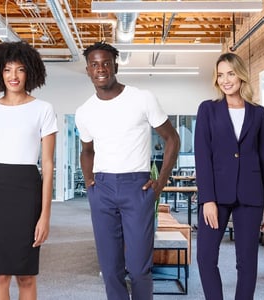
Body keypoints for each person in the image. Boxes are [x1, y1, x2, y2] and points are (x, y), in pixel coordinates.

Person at [75, 41, 180, 300]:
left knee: (138, 268)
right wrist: (90, 184)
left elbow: (172, 139)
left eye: (106, 63)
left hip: (137, 187)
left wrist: (160, 182)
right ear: (88, 70)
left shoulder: (142, 98)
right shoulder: (84, 111)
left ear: (115, 65)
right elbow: (87, 151)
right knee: (110, 269)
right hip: (102, 189)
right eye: (95, 65)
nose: (101, 69)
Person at [0, 41, 57, 300]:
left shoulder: (43, 109)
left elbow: (47, 165)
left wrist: (45, 215)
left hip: (27, 190)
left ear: (30, 73)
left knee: (26, 275)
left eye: (20, 70)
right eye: (7, 69)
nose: (13, 76)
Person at [194, 52, 264, 300]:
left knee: (247, 261)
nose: (225, 80)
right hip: (216, 195)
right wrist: (207, 198)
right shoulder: (208, 109)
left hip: (251, 195)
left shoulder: (258, 113)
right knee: (206, 256)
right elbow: (202, 156)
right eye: (220, 75)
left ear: (241, 75)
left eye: (230, 73)